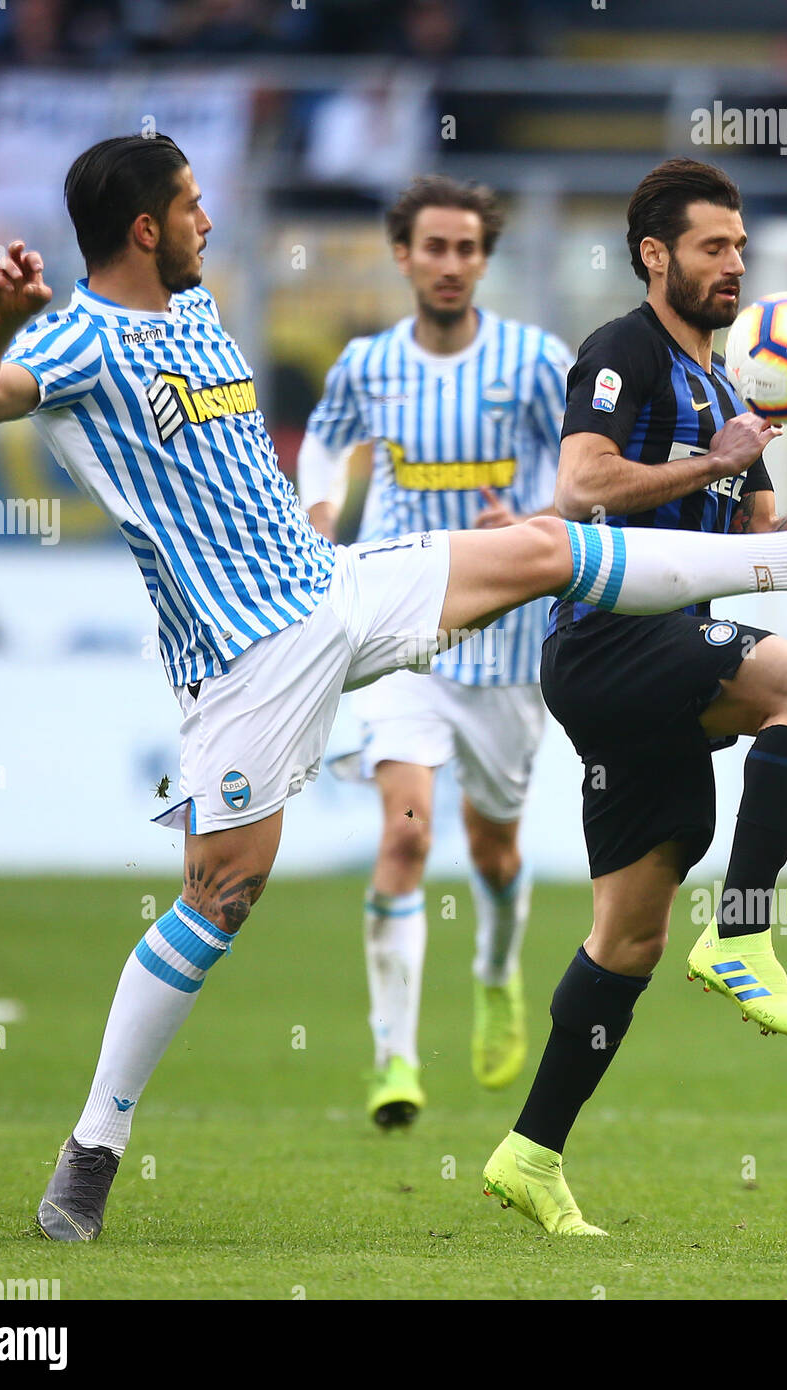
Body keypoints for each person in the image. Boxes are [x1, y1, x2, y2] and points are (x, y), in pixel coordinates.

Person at [0, 135, 787, 1242]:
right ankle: (92, 1153)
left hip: (334, 585)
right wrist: (4, 319)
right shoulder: (74, 340)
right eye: (194, 206)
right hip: (245, 649)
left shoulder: (197, 311)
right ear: (147, 228)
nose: (211, 220)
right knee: (221, 896)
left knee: (545, 547)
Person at [482, 157, 787, 1237]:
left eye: (739, 246)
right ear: (655, 255)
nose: (732, 263)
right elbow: (582, 486)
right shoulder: (623, 351)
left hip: (667, 649)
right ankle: (742, 931)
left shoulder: (728, 387)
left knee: (627, 937)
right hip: (610, 638)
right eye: (711, 246)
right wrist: (711, 461)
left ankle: (529, 1154)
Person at [299, 175, 572, 1123]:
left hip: (506, 649)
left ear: (483, 259)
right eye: (434, 247)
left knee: (493, 851)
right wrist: (323, 523)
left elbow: (589, 470)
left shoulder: (537, 362)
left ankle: (496, 971)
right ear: (404, 256)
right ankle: (393, 1062)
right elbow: (325, 446)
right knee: (404, 835)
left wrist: (534, 518)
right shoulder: (369, 365)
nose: (450, 264)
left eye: (466, 249)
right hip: (402, 635)